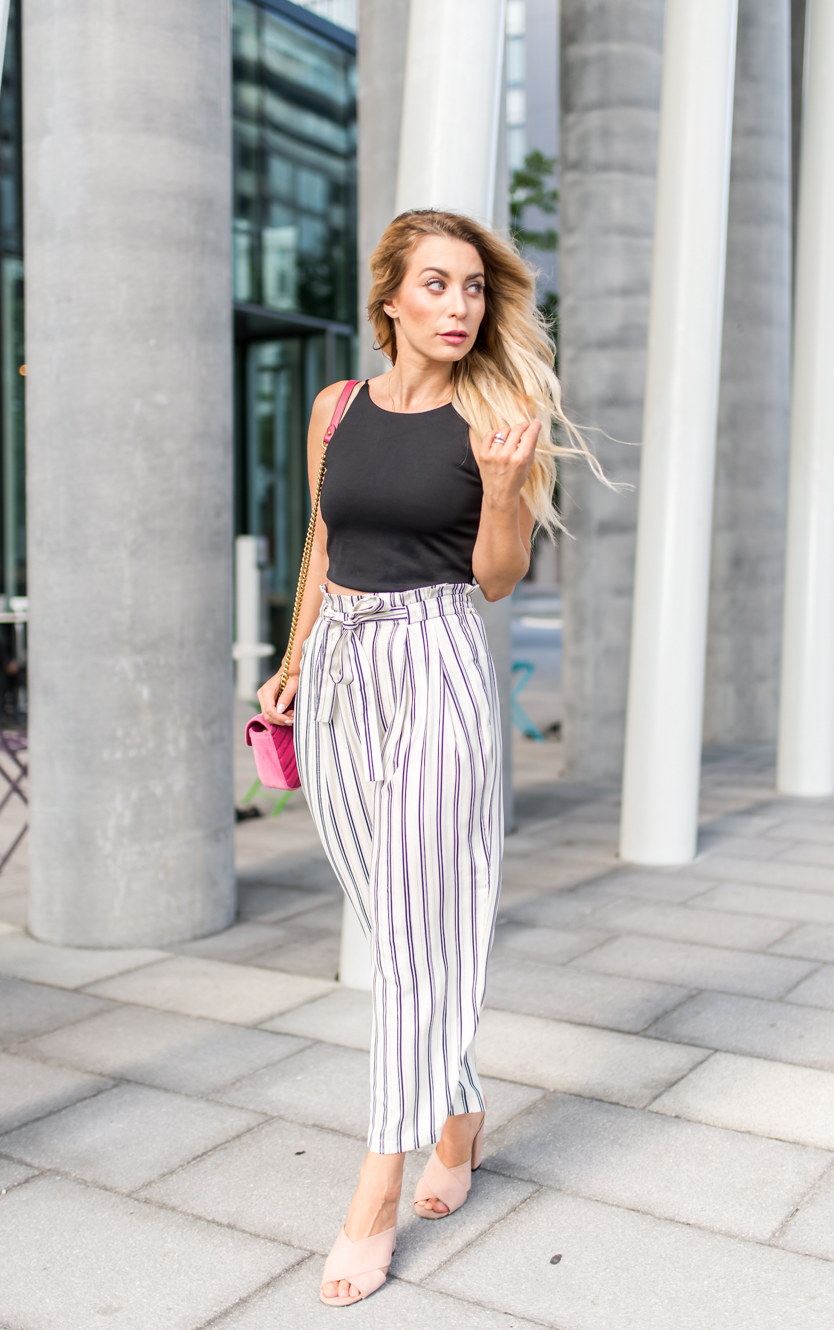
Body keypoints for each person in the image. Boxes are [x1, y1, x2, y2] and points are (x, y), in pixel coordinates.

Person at [257, 208, 606, 1308]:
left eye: (474, 288)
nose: (460, 306)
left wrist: (501, 489)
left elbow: (497, 578)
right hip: (339, 669)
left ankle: (376, 1188)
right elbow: (323, 539)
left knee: (415, 937)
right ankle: (458, 1109)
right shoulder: (335, 407)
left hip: (437, 660)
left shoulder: (497, 415)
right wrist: (294, 654)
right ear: (391, 299)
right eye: (438, 285)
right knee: (391, 914)